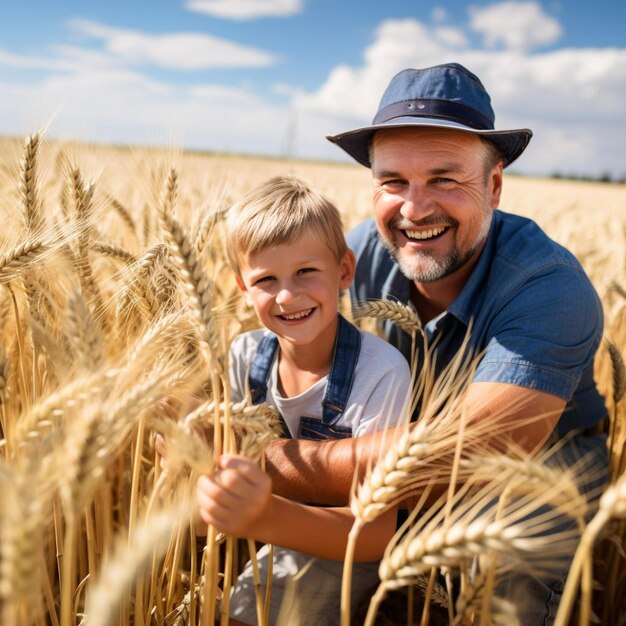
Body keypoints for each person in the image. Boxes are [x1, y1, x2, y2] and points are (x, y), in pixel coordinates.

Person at [235, 62, 607, 624]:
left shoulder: (550, 288)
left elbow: (470, 452)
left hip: (537, 469)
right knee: (277, 593)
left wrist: (253, 459)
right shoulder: (350, 254)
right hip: (374, 455)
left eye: (444, 178)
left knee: (507, 578)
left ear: (494, 185)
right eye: (393, 182)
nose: (414, 208)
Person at [196, 175, 411, 625]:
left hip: (342, 546)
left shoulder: (381, 372)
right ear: (242, 288)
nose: (288, 295)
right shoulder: (244, 355)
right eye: (266, 280)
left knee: (250, 614)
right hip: (262, 533)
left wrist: (263, 516)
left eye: (306, 272)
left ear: (345, 271)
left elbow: (374, 536)